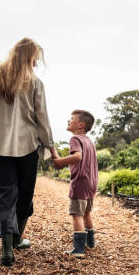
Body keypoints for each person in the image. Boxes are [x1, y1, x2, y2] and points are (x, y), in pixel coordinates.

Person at [0, 37, 57, 266]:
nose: (36, 65)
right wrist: (52, 149)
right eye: (35, 59)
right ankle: (16, 240)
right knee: (24, 194)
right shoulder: (35, 84)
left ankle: (7, 249)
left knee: (4, 195)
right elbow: (42, 119)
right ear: (29, 58)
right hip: (27, 147)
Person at [53, 110, 98, 257]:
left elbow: (77, 157)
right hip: (91, 183)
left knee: (76, 215)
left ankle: (78, 249)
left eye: (71, 119)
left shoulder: (75, 139)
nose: (68, 121)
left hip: (80, 182)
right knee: (86, 213)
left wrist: (60, 161)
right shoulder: (89, 141)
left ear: (81, 124)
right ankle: (90, 243)